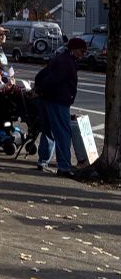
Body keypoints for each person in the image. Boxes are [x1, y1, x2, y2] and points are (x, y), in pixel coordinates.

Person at [34, 37, 87, 176]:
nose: (83, 54)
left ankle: (42, 160)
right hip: (58, 100)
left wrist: (39, 89)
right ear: (74, 49)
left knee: (48, 131)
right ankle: (64, 167)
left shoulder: (60, 58)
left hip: (47, 98)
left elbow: (41, 75)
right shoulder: (67, 63)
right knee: (63, 133)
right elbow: (54, 79)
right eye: (82, 51)